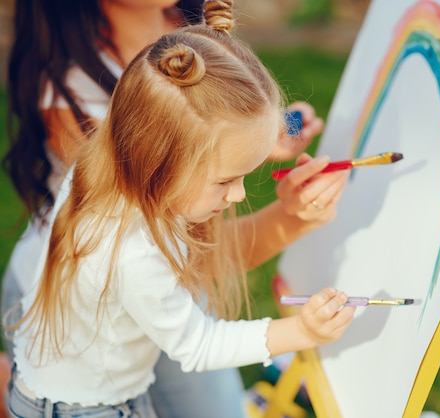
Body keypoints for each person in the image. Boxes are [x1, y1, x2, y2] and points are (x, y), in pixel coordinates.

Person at [4, 3, 356, 416]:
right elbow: (198, 342)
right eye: (226, 181)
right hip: (85, 402)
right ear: (160, 160)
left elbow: (223, 135)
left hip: (99, 372)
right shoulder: (136, 251)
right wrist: (300, 330)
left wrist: (271, 134)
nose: (241, 195)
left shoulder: (114, 155)